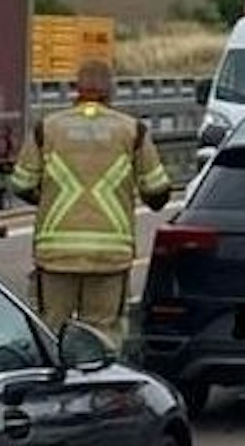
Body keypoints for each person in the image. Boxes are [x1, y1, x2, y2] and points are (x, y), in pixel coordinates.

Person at [9, 59, 175, 339]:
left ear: (76, 88)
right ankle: (99, 368)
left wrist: (47, 199)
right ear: (111, 90)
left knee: (51, 331)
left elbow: (21, 184)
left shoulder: (46, 129)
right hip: (109, 256)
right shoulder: (133, 131)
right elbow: (157, 192)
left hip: (56, 254)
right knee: (102, 334)